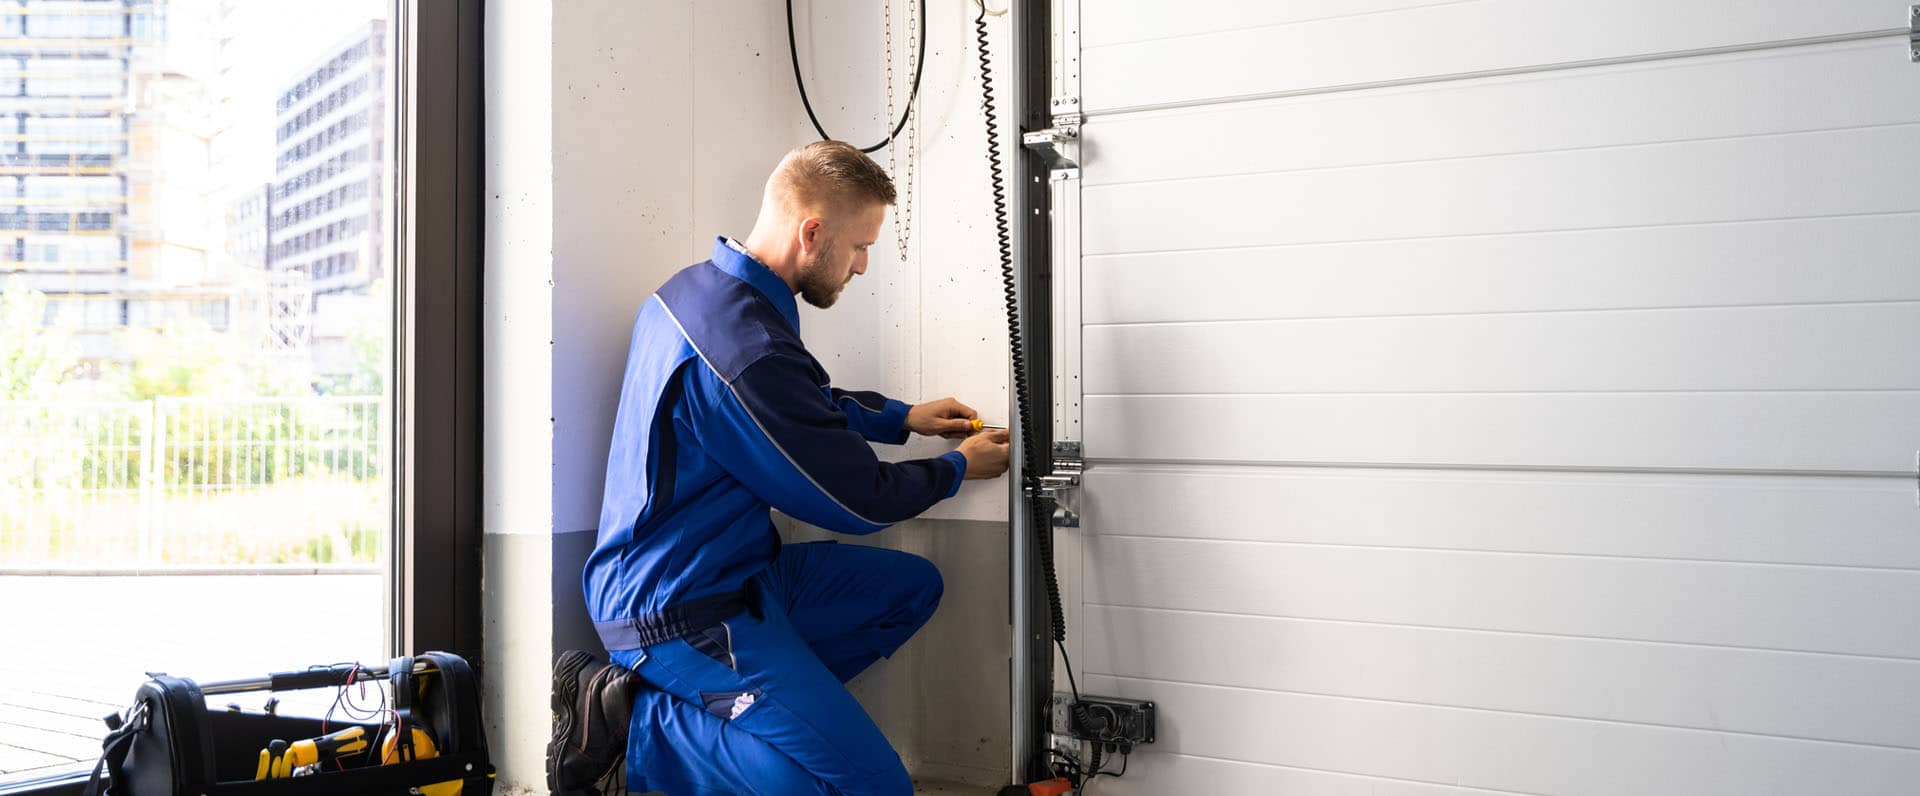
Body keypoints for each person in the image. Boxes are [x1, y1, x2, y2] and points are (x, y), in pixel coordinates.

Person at [547, 140, 1013, 796]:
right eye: (860, 246)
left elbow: (796, 405)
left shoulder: (696, 293)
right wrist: (957, 468)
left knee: (911, 589)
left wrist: (902, 418)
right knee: (871, 788)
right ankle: (639, 727)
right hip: (680, 612)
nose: (863, 264)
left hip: (740, 574)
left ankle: (762, 721)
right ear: (812, 233)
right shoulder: (746, 349)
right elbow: (859, 501)